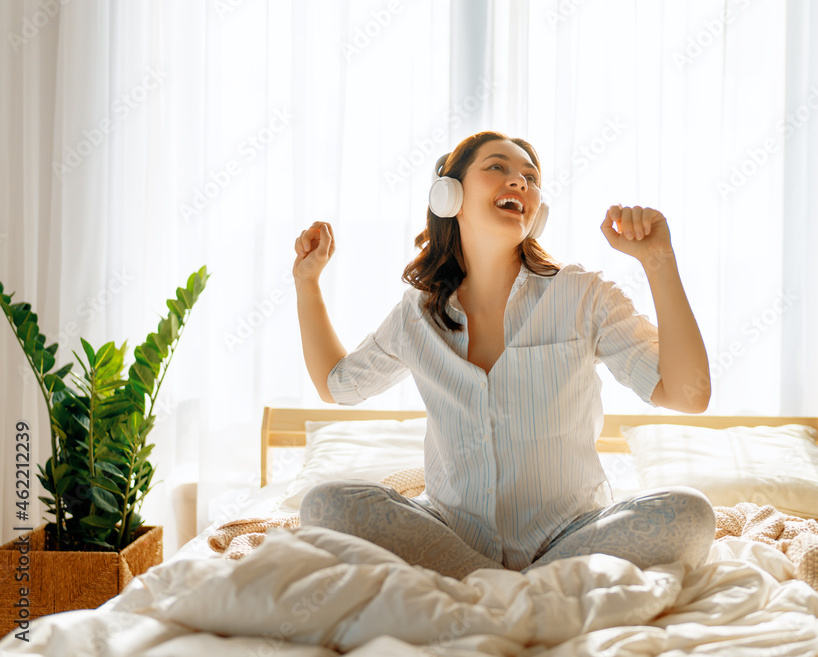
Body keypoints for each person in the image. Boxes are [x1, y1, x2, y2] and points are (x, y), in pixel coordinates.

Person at [293, 130, 715, 579]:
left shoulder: (583, 295)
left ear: (537, 211)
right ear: (448, 194)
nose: (520, 182)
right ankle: (528, 588)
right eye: (497, 167)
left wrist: (657, 259)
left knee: (689, 514)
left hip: (571, 535)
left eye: (531, 178)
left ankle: (485, 586)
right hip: (449, 535)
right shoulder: (415, 316)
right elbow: (335, 385)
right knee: (325, 504)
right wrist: (307, 282)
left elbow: (688, 395)